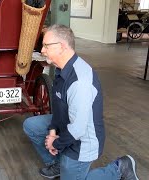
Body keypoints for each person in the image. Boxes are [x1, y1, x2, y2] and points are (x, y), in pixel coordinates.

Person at [23, 24, 139, 180]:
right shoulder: (61, 69)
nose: (42, 50)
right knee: (31, 126)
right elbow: (58, 109)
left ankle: (119, 168)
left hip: (82, 142)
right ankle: (58, 164)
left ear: (62, 46)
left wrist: (55, 144)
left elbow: (78, 129)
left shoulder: (79, 82)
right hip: (67, 125)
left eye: (46, 45)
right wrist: (52, 132)